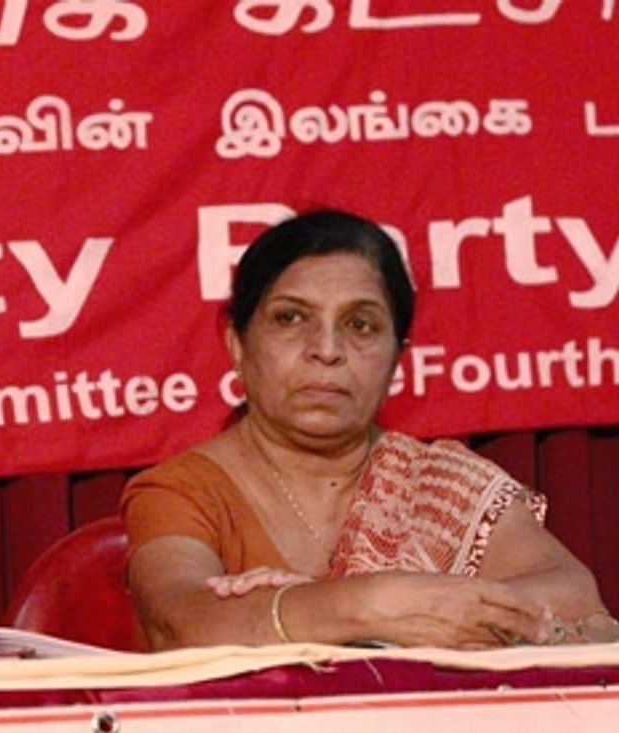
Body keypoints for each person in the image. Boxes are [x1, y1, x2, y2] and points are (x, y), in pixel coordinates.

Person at [121, 208, 615, 651]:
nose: (327, 350)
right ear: (236, 343)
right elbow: (182, 624)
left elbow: (575, 599)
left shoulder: (438, 484)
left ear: (397, 356)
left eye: (360, 325)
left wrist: (319, 608)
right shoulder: (183, 492)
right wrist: (372, 604)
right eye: (291, 318)